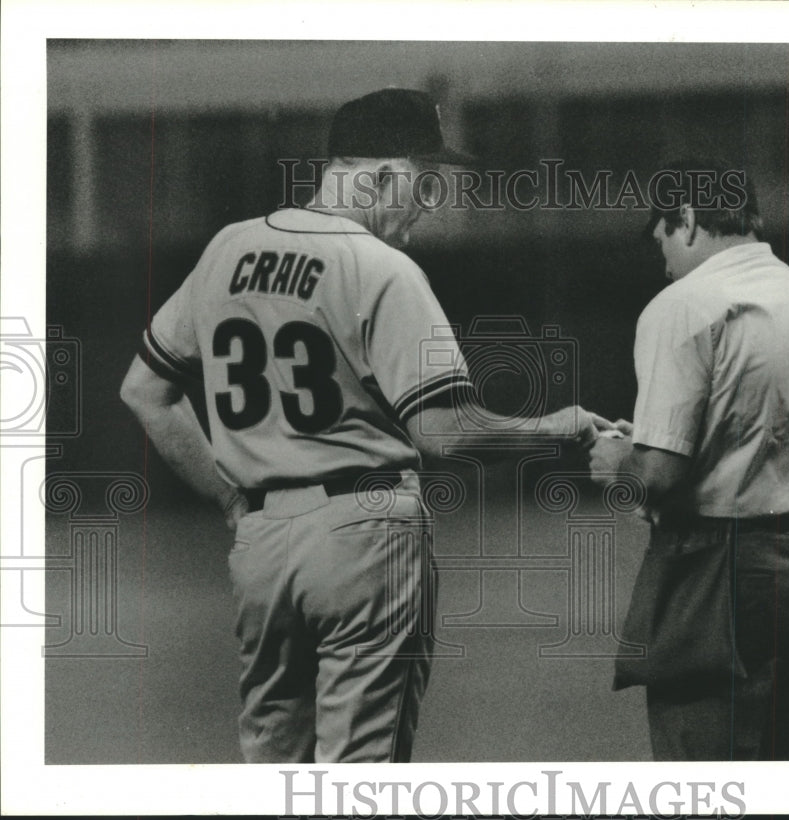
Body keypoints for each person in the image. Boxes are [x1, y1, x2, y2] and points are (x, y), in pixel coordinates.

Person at [120, 88, 599, 763]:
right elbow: (445, 431)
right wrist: (558, 429)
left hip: (261, 545)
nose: (429, 204)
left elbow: (144, 390)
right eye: (423, 182)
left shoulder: (230, 247)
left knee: (276, 775)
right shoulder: (382, 268)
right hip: (364, 534)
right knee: (360, 784)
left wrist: (231, 497)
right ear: (379, 176)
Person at [588, 159, 789, 760]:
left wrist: (616, 460)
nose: (660, 249)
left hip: (719, 572)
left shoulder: (681, 304)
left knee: (705, 781)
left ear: (686, 219)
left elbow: (658, 475)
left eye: (660, 231)